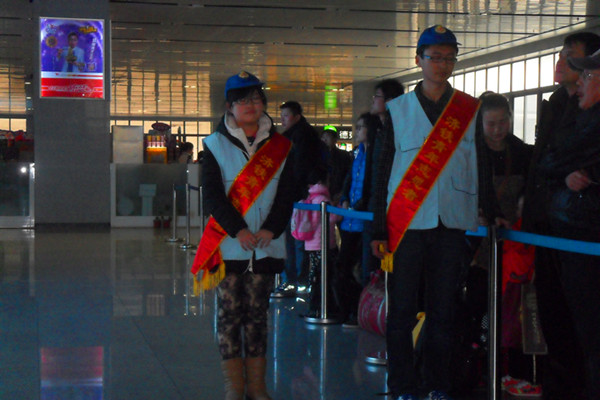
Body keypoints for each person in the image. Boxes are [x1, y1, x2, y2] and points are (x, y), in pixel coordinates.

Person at [370, 25, 496, 400]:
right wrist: (378, 228)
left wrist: (490, 209)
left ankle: (437, 384)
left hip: (451, 223)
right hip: (406, 224)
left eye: (449, 58)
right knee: (402, 311)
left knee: (444, 311)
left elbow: (481, 163)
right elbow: (381, 172)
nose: (442, 65)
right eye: (435, 57)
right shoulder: (397, 111)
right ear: (419, 60)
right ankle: (402, 385)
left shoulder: (468, 109)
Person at [191, 71, 295, 400]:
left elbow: (287, 194)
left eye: (256, 98)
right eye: (242, 100)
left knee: (258, 318)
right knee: (229, 316)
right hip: (229, 246)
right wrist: (238, 230)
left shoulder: (282, 147)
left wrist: (271, 228)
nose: (251, 105)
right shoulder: (214, 144)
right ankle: (234, 388)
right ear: (229, 106)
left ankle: (258, 387)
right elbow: (213, 197)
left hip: (266, 245)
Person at [521, 32, 600, 400]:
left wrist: (566, 170)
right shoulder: (558, 103)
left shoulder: (588, 117)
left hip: (583, 230)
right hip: (553, 223)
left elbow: (555, 159)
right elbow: (546, 161)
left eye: (584, 70)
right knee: (556, 310)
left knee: (585, 323)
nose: (564, 64)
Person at [475, 93, 538, 395]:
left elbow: (533, 189)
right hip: (478, 243)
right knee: (480, 305)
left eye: (503, 122)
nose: (498, 129)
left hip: (515, 242)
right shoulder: (471, 152)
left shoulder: (522, 152)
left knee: (514, 309)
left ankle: (512, 371)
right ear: (480, 123)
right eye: (491, 124)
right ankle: (481, 366)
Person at [333, 112, 381, 326]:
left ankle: (360, 312)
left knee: (363, 270)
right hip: (350, 220)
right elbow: (349, 180)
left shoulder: (377, 154)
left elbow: (373, 186)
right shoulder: (356, 154)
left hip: (365, 222)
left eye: (361, 127)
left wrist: (362, 204)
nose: (357, 130)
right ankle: (349, 310)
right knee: (343, 267)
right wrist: (344, 198)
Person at [275, 100, 326, 296]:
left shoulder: (302, 136)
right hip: (296, 194)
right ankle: (296, 280)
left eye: (286, 116)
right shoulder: (294, 135)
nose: (283, 120)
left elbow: (300, 166)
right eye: (281, 116)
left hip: (298, 196)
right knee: (293, 238)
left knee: (296, 238)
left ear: (296, 116)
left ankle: (296, 281)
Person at [292, 169, 340, 318]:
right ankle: (322, 307)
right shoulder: (322, 199)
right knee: (323, 276)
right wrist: (340, 209)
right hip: (323, 244)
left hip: (310, 244)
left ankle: (314, 307)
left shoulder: (310, 197)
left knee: (314, 275)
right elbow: (333, 218)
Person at [321, 125, 353, 205]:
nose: (325, 139)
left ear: (335, 140)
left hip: (338, 195)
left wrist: (342, 193)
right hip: (322, 195)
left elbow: (348, 176)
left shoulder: (344, 156)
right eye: (323, 137)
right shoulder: (317, 156)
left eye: (328, 137)